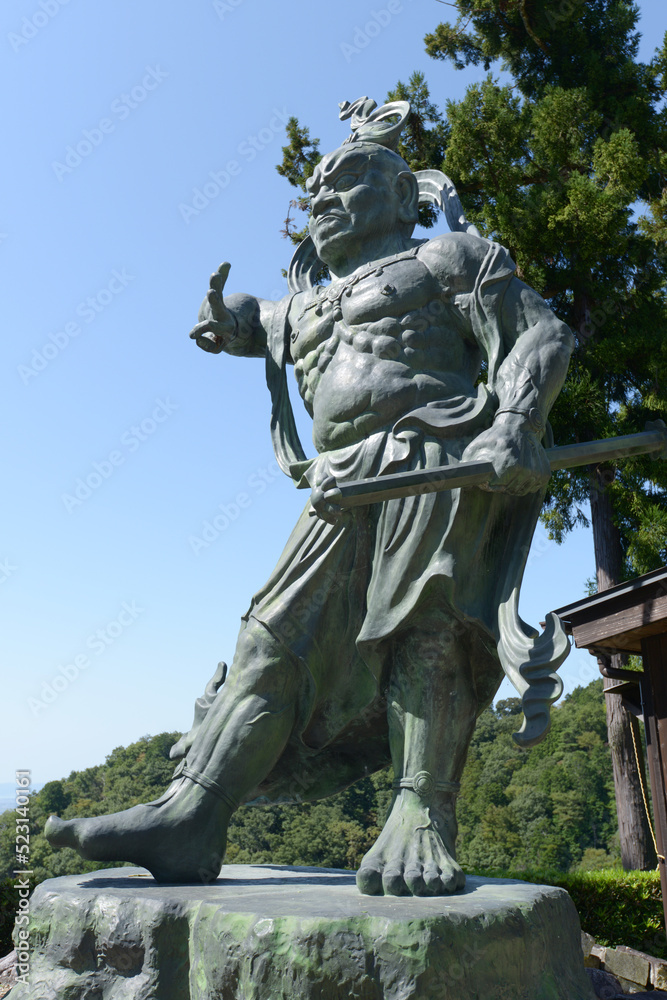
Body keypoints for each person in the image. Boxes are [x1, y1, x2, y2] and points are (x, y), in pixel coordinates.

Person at [46, 99, 573, 896]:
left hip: (430, 454)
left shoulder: (445, 259)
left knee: (421, 624)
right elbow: (255, 319)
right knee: (268, 641)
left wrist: (514, 422)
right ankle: (192, 813)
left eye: (347, 178)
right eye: (315, 188)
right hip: (339, 483)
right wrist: (223, 317)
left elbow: (541, 333)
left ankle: (422, 810)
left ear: (402, 196)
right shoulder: (307, 303)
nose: (324, 195)